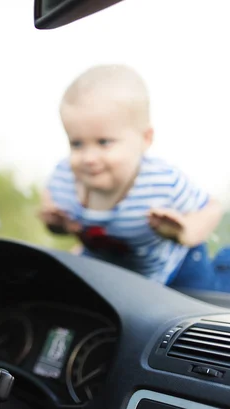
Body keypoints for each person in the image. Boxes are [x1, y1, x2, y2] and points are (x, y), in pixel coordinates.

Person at [40, 64, 229, 290]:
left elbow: (211, 208)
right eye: (77, 143)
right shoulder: (64, 179)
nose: (89, 157)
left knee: (208, 297)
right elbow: (50, 201)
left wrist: (185, 231)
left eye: (104, 142)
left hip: (175, 269)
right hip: (114, 272)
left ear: (145, 139)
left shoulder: (161, 183)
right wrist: (58, 224)